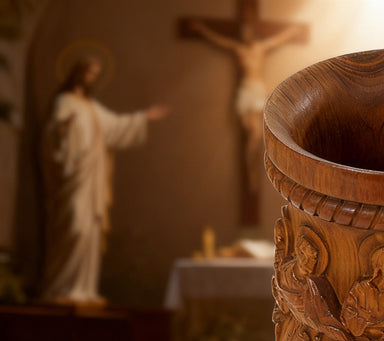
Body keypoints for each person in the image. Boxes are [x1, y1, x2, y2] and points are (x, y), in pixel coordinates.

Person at [39, 56, 168, 305]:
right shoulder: (63, 101)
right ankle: (60, 287)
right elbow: (50, 136)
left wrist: (143, 117)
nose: (91, 78)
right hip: (72, 176)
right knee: (75, 227)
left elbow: (115, 126)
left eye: (95, 75)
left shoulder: (91, 107)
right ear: (77, 72)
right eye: (88, 72)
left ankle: (82, 289)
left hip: (92, 178)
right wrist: (60, 130)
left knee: (90, 231)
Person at [189, 19, 305, 192]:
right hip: (245, 91)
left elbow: (278, 40)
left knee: (256, 135)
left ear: (252, 34)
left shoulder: (260, 48)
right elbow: (219, 41)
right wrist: (202, 30)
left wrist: (292, 31)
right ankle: (251, 169)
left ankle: (253, 172)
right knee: (248, 130)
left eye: (248, 31)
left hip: (257, 90)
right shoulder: (239, 49)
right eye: (243, 32)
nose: (246, 35)